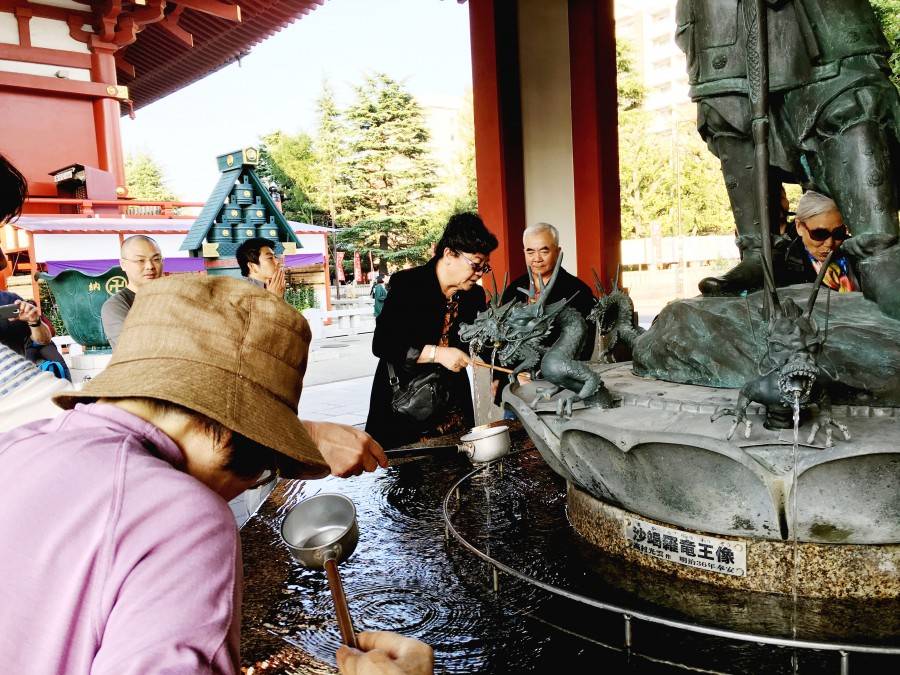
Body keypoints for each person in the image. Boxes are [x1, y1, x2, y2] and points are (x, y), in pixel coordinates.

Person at [0, 274, 408, 673]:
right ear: (234, 433)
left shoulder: (17, 446)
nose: (241, 489)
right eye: (263, 466)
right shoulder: (182, 517)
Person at [365, 212, 498, 449]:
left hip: (451, 407)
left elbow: (483, 343)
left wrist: (505, 374)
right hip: (405, 403)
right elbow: (383, 344)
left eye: (484, 268)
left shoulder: (474, 296)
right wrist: (438, 354)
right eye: (476, 265)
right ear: (449, 254)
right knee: (406, 478)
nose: (479, 274)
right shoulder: (408, 285)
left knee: (456, 470)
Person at [492, 222, 595, 402]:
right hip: (515, 382)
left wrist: (553, 374)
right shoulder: (514, 289)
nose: (536, 258)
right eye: (530, 251)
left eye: (544, 251)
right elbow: (498, 337)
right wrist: (497, 377)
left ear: (558, 251)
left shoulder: (577, 291)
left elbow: (584, 344)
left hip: (557, 385)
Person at [777, 191, 859, 293]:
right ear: (799, 227)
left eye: (838, 233)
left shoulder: (855, 254)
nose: (829, 243)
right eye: (820, 234)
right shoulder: (784, 268)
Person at [101, 235, 163, 348]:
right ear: (123, 265)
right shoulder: (115, 306)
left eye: (156, 259)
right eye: (140, 260)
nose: (150, 266)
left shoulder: (172, 298)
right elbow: (135, 347)